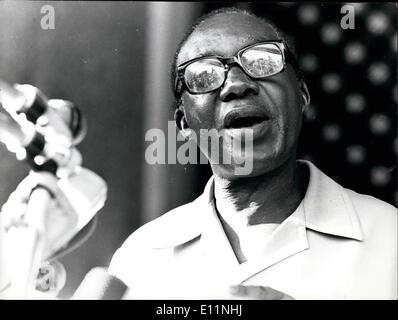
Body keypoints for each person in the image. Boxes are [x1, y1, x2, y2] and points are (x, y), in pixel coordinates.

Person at [108, 8, 397, 300]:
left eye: (261, 60)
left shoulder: (390, 238)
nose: (235, 85)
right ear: (184, 124)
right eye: (205, 74)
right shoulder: (141, 257)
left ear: (302, 95)